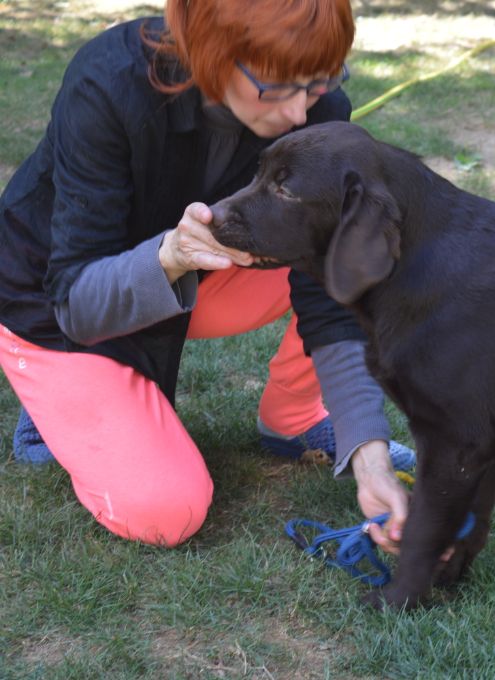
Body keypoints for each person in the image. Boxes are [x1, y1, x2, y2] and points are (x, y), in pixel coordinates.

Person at [0, 0, 413, 553]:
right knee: (167, 511)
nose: (297, 114)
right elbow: (77, 302)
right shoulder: (108, 82)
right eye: (276, 88)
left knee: (366, 251)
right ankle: (55, 400)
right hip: (57, 306)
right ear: (213, 53)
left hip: (196, 275)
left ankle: (293, 419)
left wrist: (369, 453)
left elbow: (333, 286)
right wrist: (168, 258)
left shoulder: (317, 108)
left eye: (317, 84)